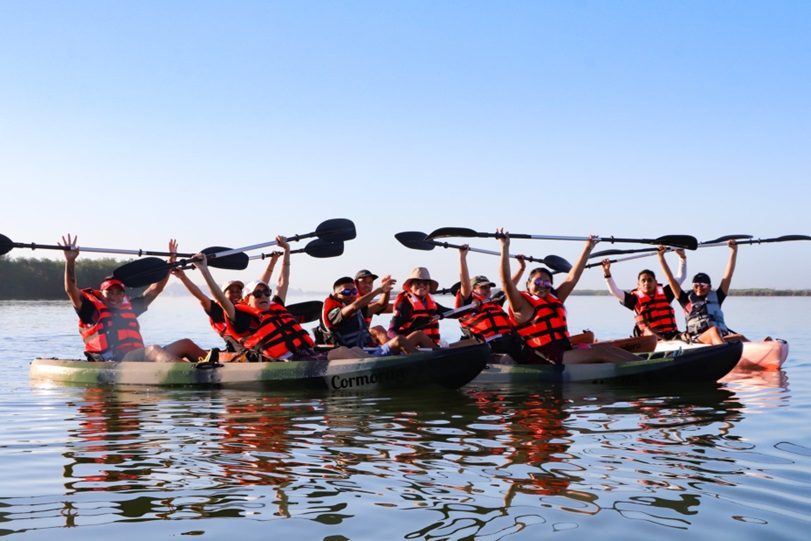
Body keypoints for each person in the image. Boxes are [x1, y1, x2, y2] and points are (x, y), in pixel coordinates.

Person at [60, 234, 214, 363]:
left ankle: (218, 368)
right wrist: (70, 261)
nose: (114, 297)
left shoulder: (129, 308)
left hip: (136, 358)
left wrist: (169, 265)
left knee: (185, 344)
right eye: (109, 292)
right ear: (101, 293)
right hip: (114, 362)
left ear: (123, 294)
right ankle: (193, 372)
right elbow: (71, 289)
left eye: (118, 293)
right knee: (153, 350)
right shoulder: (89, 310)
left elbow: (155, 289)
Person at [498, 229, 641, 365]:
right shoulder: (521, 305)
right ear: (528, 284)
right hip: (542, 358)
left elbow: (572, 277)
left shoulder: (554, 298)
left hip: (562, 352)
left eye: (547, 283)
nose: (543, 286)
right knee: (601, 353)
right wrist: (505, 247)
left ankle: (646, 365)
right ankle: (647, 369)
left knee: (608, 348)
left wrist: (588, 248)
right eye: (538, 282)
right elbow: (506, 282)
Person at [192, 251, 320, 361]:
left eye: (267, 293)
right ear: (247, 299)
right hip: (284, 361)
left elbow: (283, 282)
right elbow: (220, 298)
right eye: (258, 294)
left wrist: (286, 251)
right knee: (339, 354)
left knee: (340, 351)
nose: (263, 296)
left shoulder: (273, 307)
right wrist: (204, 270)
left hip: (305, 352)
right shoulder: (241, 317)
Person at [172, 239, 288, 350]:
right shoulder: (218, 309)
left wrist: (272, 263)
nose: (235, 295)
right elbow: (201, 296)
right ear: (223, 294)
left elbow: (259, 288)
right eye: (231, 292)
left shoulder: (249, 307)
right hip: (239, 349)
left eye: (238, 291)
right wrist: (183, 277)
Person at [318, 276, 435, 355]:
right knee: (399, 340)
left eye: (354, 292)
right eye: (346, 292)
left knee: (419, 334)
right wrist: (378, 290)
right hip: (356, 357)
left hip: (371, 350)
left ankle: (442, 355)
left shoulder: (357, 311)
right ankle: (424, 364)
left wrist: (386, 291)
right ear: (336, 295)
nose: (352, 295)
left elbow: (380, 305)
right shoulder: (333, 313)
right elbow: (353, 307)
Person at [659, 240, 747, 344]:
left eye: (703, 285)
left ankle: (765, 347)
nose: (699, 287)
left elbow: (728, 275)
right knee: (714, 331)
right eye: (696, 285)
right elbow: (670, 279)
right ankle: (724, 354)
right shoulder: (685, 299)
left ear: (709, 287)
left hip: (721, 337)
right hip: (698, 339)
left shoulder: (717, 296)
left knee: (740, 337)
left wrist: (734, 251)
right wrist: (661, 257)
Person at [455, 244, 525, 358]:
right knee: (506, 359)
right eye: (483, 287)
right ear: (473, 289)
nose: (487, 290)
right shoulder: (468, 303)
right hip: (489, 346)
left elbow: (509, 286)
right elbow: (465, 284)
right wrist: (462, 258)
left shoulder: (494, 301)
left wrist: (521, 268)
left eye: (488, 287)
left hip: (509, 342)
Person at [601, 248, 687, 340]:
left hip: (672, 334)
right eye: (643, 281)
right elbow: (614, 291)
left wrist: (682, 257)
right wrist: (607, 273)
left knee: (686, 335)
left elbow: (681, 277)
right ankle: (664, 342)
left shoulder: (666, 293)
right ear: (639, 284)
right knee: (649, 331)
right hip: (651, 339)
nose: (646, 283)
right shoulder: (634, 299)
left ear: (656, 282)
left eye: (650, 280)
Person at [387, 267, 477, 348]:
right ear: (410, 286)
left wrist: (473, 307)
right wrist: (405, 344)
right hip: (412, 348)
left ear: (429, 287)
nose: (421, 285)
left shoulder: (432, 304)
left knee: (473, 342)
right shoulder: (405, 305)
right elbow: (391, 331)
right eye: (417, 283)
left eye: (425, 283)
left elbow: (454, 313)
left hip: (430, 347)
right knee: (420, 335)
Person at [353, 269, 394, 345]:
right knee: (378, 330)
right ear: (355, 284)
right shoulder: (352, 301)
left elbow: (390, 307)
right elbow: (380, 305)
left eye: (370, 282)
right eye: (363, 282)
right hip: (353, 338)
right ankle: (398, 354)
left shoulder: (370, 303)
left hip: (364, 335)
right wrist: (382, 290)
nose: (367, 285)